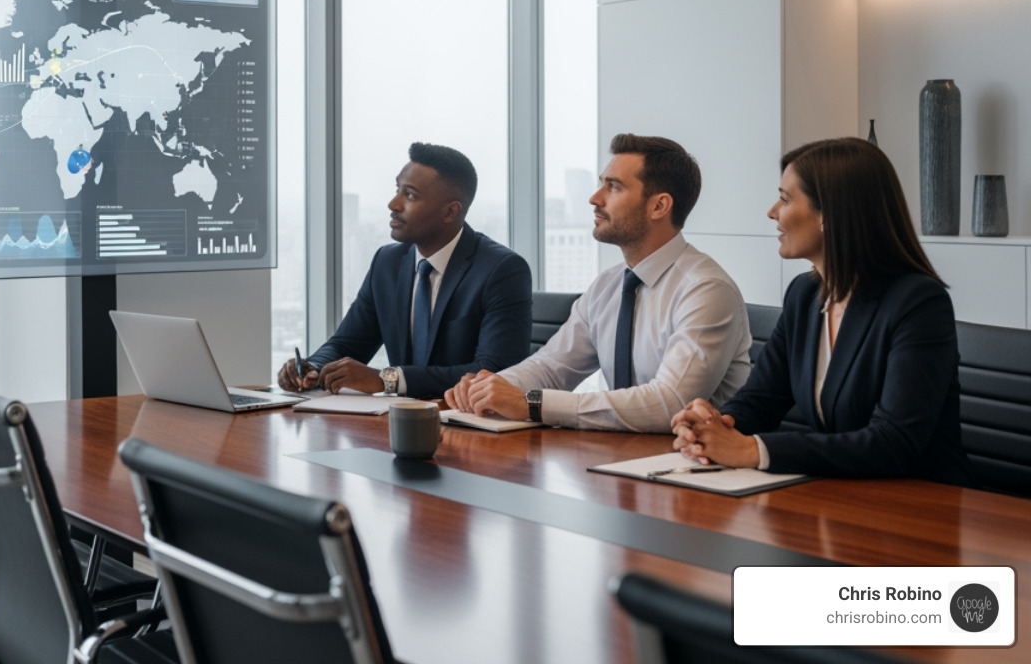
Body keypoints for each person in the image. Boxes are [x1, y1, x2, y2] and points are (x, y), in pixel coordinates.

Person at [671, 138, 972, 483]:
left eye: (784, 199)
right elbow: (760, 400)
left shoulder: (917, 303)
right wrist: (712, 427)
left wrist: (753, 450)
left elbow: (893, 443)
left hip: (923, 506)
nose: (772, 212)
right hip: (839, 496)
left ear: (829, 214)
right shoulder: (805, 295)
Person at [445, 134, 750, 432]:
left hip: (696, 465)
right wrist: (489, 388)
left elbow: (669, 402)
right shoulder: (608, 285)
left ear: (659, 206)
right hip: (621, 459)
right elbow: (551, 367)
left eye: (613, 187)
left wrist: (534, 404)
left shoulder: (706, 289)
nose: (594, 198)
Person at [277, 142, 532, 399]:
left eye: (409, 195)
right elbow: (347, 344)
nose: (393, 204)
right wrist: (312, 367)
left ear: (450, 211)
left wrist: (387, 380)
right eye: (397, 190)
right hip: (397, 423)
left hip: (468, 427)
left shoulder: (501, 270)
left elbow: (493, 372)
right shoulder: (387, 262)